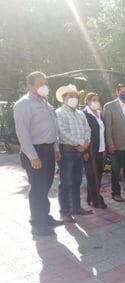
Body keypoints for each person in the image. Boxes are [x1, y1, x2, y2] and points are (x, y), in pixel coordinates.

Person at [13, 71, 63, 236]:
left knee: (46, 184)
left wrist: (55, 149)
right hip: (35, 150)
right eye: (40, 84)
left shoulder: (46, 103)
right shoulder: (24, 104)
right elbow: (23, 133)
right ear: (30, 86)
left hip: (48, 149)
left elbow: (53, 128)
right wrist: (33, 156)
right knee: (37, 187)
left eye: (45, 83)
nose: (44, 87)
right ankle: (37, 223)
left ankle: (45, 216)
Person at [56, 84, 92, 222]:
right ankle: (64, 211)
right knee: (66, 182)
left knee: (77, 181)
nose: (74, 99)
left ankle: (76, 207)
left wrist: (86, 143)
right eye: (71, 96)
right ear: (64, 98)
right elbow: (62, 132)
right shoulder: (59, 113)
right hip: (67, 152)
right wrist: (80, 142)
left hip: (79, 152)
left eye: (76, 97)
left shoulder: (80, 113)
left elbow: (87, 129)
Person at [83, 92, 107, 209]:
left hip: (100, 149)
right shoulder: (83, 114)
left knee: (98, 174)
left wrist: (104, 147)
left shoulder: (99, 114)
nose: (96, 102)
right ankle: (97, 200)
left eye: (97, 99)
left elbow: (103, 132)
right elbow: (83, 133)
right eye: (93, 99)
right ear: (87, 101)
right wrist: (85, 151)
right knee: (92, 176)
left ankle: (90, 197)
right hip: (90, 149)